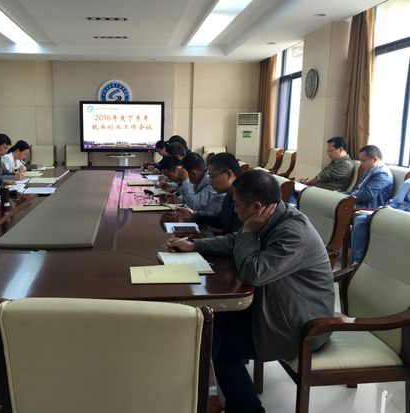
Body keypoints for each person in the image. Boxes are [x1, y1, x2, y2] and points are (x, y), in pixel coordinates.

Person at [165, 169, 334, 413]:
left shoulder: (292, 234)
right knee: (212, 323)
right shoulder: (273, 215)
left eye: (236, 205)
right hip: (275, 305)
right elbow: (237, 240)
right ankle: (191, 394)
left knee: (222, 348)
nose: (233, 210)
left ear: (257, 207)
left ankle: (244, 408)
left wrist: (248, 233)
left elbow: (252, 273)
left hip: (301, 325)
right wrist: (194, 245)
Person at [176, 152, 243, 234]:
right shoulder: (229, 195)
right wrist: (194, 215)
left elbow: (236, 238)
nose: (210, 182)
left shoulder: (244, 200)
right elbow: (220, 219)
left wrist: (195, 242)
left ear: (228, 174)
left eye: (212, 177)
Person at [352, 176, 410, 262]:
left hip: (405, 218)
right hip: (393, 213)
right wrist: (386, 208)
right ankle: (358, 261)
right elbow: (396, 201)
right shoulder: (408, 182)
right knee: (361, 220)